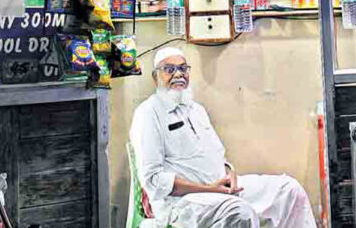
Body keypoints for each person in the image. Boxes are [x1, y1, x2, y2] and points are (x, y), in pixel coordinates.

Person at [130, 47, 317, 228]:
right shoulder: (148, 113)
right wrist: (210, 189)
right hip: (182, 202)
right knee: (239, 213)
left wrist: (230, 175)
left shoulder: (196, 110)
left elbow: (218, 155)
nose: (178, 74)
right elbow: (153, 180)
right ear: (156, 78)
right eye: (169, 70)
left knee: (289, 190)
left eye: (183, 68)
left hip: (221, 190)